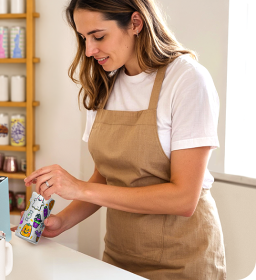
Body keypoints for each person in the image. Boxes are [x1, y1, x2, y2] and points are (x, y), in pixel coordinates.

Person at [17, 0, 227, 279]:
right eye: (84, 38)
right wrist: (62, 221)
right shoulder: (105, 85)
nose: (90, 50)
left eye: (99, 36)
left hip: (183, 259)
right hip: (118, 257)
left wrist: (78, 188)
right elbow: (104, 178)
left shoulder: (186, 80)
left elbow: (183, 199)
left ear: (136, 24)